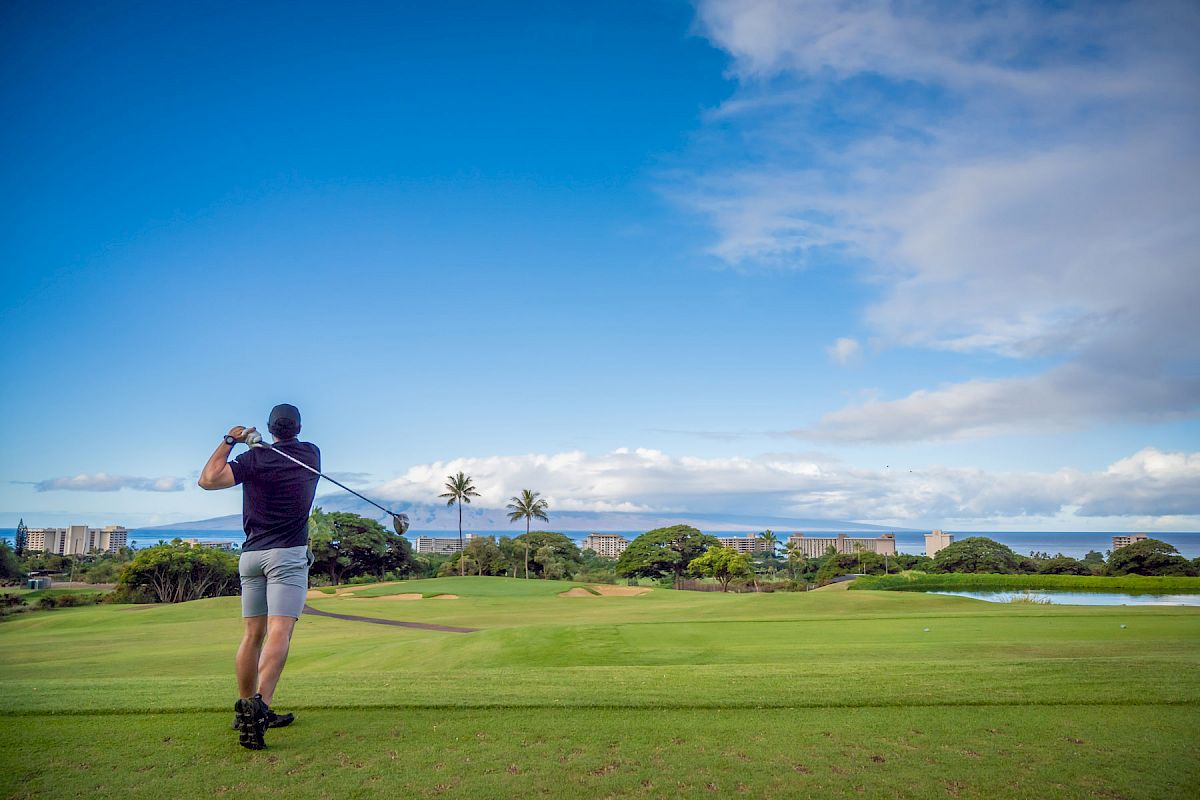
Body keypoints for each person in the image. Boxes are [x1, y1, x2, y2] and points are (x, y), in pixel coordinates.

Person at [199, 403, 320, 750]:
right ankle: (259, 709)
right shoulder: (311, 454)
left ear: (269, 428)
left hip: (251, 556)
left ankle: (244, 708)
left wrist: (231, 440)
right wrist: (256, 444)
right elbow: (280, 453)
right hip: (287, 556)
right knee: (280, 631)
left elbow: (208, 480)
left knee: (253, 635)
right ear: (298, 427)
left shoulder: (253, 460)